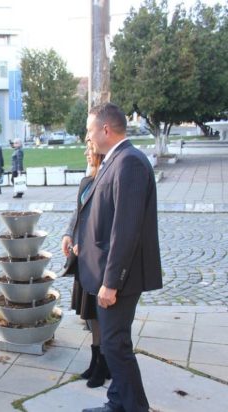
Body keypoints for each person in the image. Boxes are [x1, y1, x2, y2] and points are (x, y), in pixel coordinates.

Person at [76, 103, 162, 412]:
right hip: (107, 273)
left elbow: (126, 230)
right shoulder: (115, 160)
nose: (88, 137)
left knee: (115, 345)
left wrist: (111, 282)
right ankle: (117, 403)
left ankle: (136, 407)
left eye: (90, 130)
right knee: (115, 343)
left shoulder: (130, 163)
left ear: (105, 129)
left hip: (120, 278)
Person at [60, 142, 109, 388]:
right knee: (91, 312)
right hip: (84, 260)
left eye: (89, 149)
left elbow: (104, 223)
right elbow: (78, 213)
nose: (85, 153)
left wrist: (86, 244)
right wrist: (68, 234)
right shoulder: (87, 181)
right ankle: (96, 359)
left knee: (101, 313)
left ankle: (104, 363)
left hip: (98, 260)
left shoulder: (107, 180)